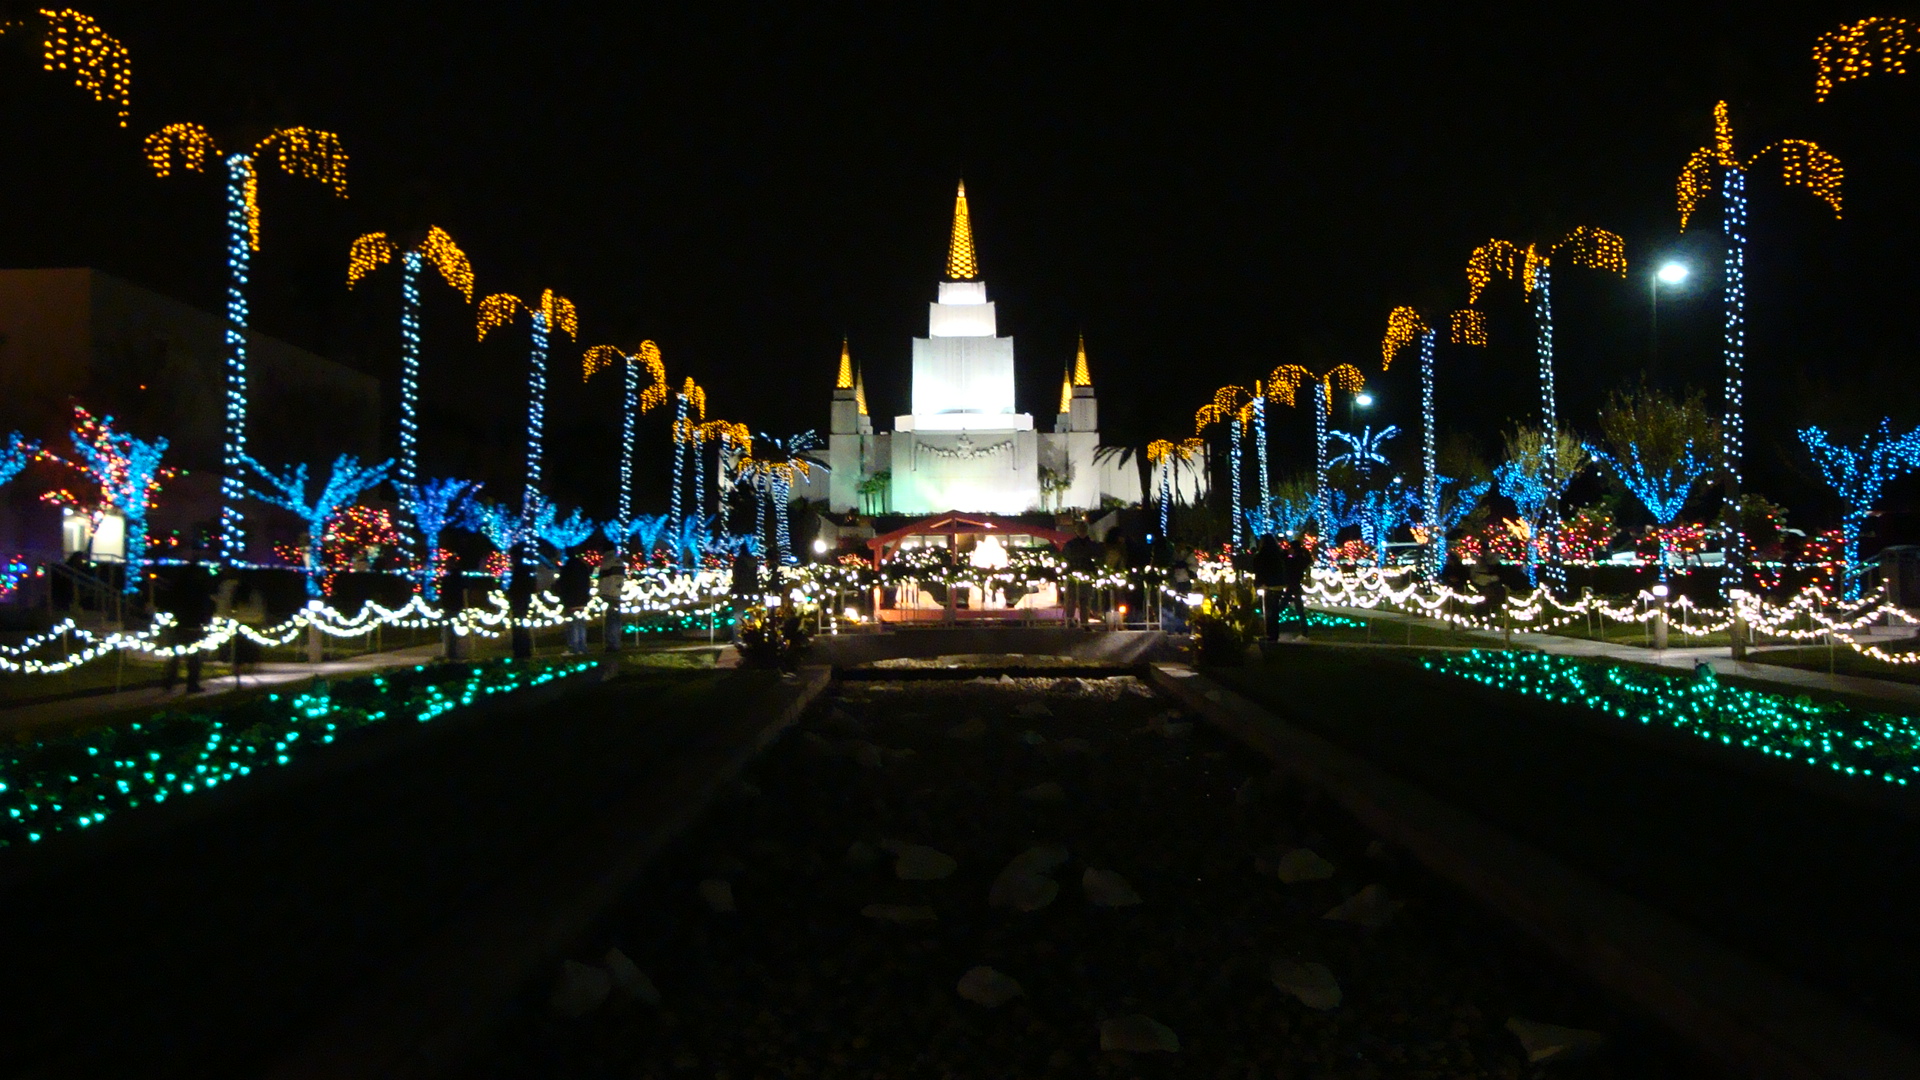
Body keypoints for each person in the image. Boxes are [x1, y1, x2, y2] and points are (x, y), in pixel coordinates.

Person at [160, 560, 216, 693]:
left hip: (177, 624)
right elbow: (205, 605)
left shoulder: (177, 587)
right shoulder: (199, 588)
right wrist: (204, 620)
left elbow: (168, 603)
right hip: (193, 625)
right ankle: (192, 684)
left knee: (175, 656)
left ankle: (169, 682)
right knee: (193, 657)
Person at [1061, 523, 1098, 627]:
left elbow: (1064, 558)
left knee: (1079, 600)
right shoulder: (1091, 545)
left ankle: (1078, 623)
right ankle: (1077, 623)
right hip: (1082, 575)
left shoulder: (1070, 545)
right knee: (1078, 600)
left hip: (1078, 575)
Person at [1252, 533, 1287, 641]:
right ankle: (1274, 633)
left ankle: (1268, 631)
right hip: (1278, 584)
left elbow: (1258, 570)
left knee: (1267, 609)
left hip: (1267, 585)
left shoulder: (1261, 555)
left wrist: (1258, 583)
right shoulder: (1278, 553)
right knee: (1275, 609)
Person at [557, 552, 593, 654]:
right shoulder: (583, 567)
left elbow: (562, 584)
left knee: (572, 624)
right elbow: (587, 582)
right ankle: (583, 646)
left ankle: (574, 646)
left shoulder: (566, 568)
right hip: (582, 599)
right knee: (580, 623)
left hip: (570, 600)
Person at [1278, 539, 1312, 636]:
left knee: (1282, 606)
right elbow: (1308, 560)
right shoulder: (1301, 559)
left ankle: (1271, 624)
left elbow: (1283, 558)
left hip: (1292, 585)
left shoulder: (1292, 561)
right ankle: (1304, 631)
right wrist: (1304, 551)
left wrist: (1285, 551)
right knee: (1299, 609)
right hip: (1296, 585)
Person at [597, 546, 627, 652]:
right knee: (616, 619)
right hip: (618, 594)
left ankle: (612, 643)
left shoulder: (607, 562)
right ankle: (616, 642)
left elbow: (603, 579)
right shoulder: (620, 562)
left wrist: (601, 592)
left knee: (611, 620)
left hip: (609, 594)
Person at [507, 549, 535, 660]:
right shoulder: (524, 570)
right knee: (522, 627)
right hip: (523, 601)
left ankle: (520, 651)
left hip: (519, 602)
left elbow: (517, 587)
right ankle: (523, 650)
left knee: (519, 628)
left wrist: (510, 593)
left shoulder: (519, 570)